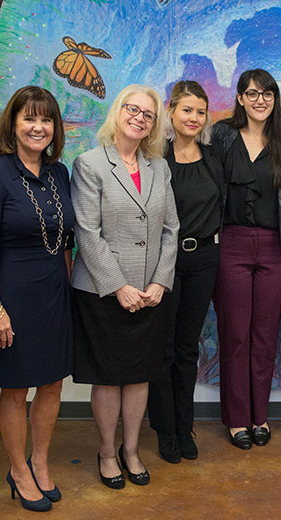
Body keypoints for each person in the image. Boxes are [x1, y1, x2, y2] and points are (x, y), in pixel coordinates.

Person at [0, 86, 75, 511]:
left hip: (54, 294)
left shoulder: (58, 173)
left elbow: (66, 241)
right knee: (15, 390)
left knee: (51, 385)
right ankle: (17, 469)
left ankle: (40, 462)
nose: (38, 127)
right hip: (10, 298)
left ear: (55, 128)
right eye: (29, 119)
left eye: (46, 119)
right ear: (13, 124)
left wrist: (69, 292)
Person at [70, 85, 178, 488]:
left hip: (150, 293)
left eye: (148, 114)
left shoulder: (159, 168)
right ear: (118, 113)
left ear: (154, 124)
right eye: (133, 109)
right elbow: (87, 232)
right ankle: (106, 450)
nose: (139, 118)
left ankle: (131, 450)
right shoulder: (90, 164)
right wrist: (119, 286)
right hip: (102, 290)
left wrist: (158, 282)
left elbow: (172, 229)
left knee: (139, 375)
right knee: (109, 376)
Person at [210, 68, 281, 450]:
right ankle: (235, 420)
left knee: (265, 336)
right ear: (241, 99)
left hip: (274, 248)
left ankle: (258, 417)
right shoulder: (221, 135)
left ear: (274, 99)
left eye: (267, 94)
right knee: (234, 335)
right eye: (252, 93)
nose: (260, 100)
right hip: (230, 243)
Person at [147, 81, 224, 463]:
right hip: (165, 260)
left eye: (200, 111)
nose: (194, 118)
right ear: (171, 112)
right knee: (163, 349)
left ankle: (184, 425)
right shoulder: (154, 157)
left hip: (204, 260)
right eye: (187, 110)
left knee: (187, 347)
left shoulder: (214, 157)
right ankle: (164, 429)